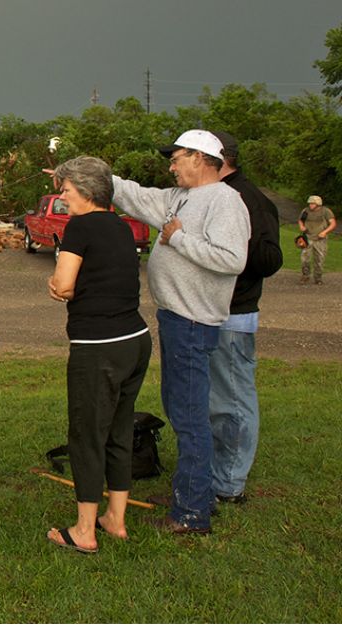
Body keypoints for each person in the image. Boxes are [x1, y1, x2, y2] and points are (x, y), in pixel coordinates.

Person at [111, 129, 250, 535]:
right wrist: (93, 175)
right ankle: (194, 492)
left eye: (177, 157)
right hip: (176, 317)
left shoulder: (225, 200)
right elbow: (137, 196)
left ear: (201, 157)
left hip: (193, 321)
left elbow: (232, 259)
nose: (171, 165)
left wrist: (179, 238)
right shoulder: (180, 197)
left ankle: (191, 514)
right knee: (180, 410)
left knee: (190, 418)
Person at [44, 156, 151, 553]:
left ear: (86, 191)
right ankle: (115, 519)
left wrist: (55, 284)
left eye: (67, 190)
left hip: (98, 346)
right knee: (119, 430)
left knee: (87, 435)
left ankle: (85, 530)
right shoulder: (122, 227)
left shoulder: (81, 226)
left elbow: (65, 283)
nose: (63, 197)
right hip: (136, 338)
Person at [208, 131, 283, 507]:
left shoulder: (247, 199)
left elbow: (270, 259)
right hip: (206, 315)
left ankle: (229, 484)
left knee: (232, 400)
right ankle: (215, 471)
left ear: (218, 161)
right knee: (213, 398)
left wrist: (235, 243)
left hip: (233, 315)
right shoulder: (214, 196)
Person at [298, 195, 336, 285]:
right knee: (304, 259)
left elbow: (333, 224)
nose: (310, 205)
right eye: (310, 203)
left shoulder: (326, 211)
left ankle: (318, 278)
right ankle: (305, 276)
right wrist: (302, 226)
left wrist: (325, 232)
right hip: (307, 238)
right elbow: (300, 220)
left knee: (319, 260)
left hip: (320, 240)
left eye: (313, 203)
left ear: (318, 204)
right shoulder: (305, 211)